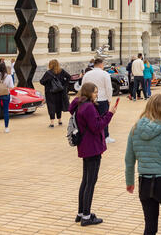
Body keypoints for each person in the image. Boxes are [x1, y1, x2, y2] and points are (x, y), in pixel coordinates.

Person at [125, 95, 161, 235]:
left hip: (144, 183)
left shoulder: (135, 129)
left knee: (150, 227)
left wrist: (129, 182)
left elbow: (129, 159)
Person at [69, 82, 117, 226]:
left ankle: (81, 213)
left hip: (85, 146)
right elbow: (96, 127)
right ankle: (86, 216)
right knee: (90, 182)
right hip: (92, 147)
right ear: (88, 93)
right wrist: (110, 114)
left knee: (85, 180)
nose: (97, 94)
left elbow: (92, 123)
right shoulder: (89, 106)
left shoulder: (80, 104)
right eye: (95, 92)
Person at [81, 58, 115, 144]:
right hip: (102, 99)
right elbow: (108, 88)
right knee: (104, 118)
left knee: (90, 119)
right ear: (101, 64)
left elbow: (83, 86)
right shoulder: (105, 74)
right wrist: (109, 99)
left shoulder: (87, 74)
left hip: (89, 99)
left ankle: (91, 136)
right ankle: (106, 136)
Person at [40, 59, 72, 128]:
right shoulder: (61, 71)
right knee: (58, 106)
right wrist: (64, 86)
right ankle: (59, 120)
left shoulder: (48, 73)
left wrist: (48, 82)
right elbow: (69, 77)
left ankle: (52, 123)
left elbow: (42, 82)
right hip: (60, 92)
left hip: (50, 92)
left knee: (51, 106)